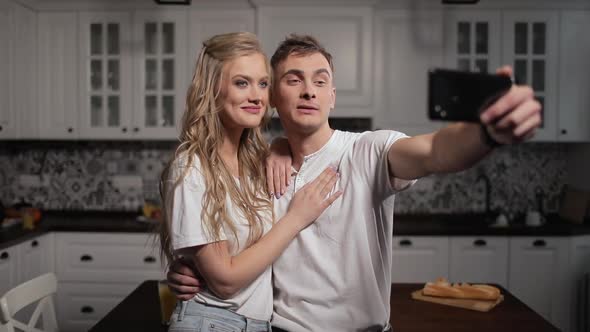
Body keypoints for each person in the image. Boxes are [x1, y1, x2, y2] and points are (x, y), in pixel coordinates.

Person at [167, 34, 542, 331]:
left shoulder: (366, 151)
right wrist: (193, 270)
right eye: (293, 80)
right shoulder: (258, 166)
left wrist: (487, 133)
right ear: (274, 100)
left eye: (320, 80)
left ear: (332, 96)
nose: (309, 91)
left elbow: (434, 152)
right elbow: (225, 244)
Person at [159, 32, 342, 332]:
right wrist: (296, 218)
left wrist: (280, 146)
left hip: (255, 324)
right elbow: (225, 281)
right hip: (213, 323)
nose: (257, 96)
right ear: (212, 88)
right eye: (241, 83)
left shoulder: (257, 162)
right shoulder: (192, 167)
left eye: (263, 83)